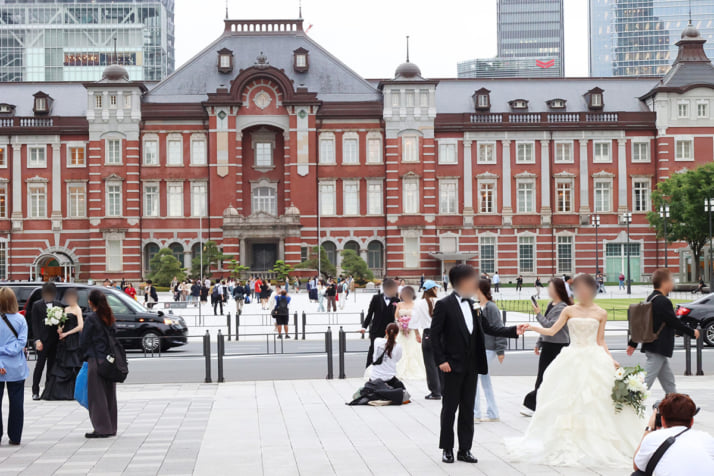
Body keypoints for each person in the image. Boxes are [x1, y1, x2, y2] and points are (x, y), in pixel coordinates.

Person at [510, 274, 643, 467]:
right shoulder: (569, 310)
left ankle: (595, 439)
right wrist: (531, 327)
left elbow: (601, 341)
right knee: (567, 399)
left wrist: (611, 359)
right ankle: (570, 439)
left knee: (596, 400)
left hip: (594, 358)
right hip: (571, 358)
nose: (581, 292)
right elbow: (551, 331)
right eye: (578, 289)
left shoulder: (601, 313)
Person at [430, 264, 522, 464]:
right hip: (452, 366)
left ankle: (465, 449)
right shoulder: (444, 305)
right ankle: (447, 448)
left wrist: (514, 330)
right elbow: (434, 336)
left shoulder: (474, 305)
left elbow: (489, 328)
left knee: (468, 408)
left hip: (472, 366)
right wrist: (441, 361)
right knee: (449, 409)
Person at [627, 269, 699, 395]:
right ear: (664, 283)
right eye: (671, 280)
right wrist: (692, 332)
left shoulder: (651, 298)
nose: (673, 283)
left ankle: (676, 406)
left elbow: (642, 323)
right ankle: (629, 402)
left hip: (655, 346)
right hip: (658, 346)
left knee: (669, 382)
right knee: (644, 383)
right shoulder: (663, 301)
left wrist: (633, 343)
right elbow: (674, 322)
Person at [521, 278, 571, 416]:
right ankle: (538, 404)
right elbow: (547, 329)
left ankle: (534, 404)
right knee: (543, 375)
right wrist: (539, 343)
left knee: (547, 376)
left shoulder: (562, 307)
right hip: (549, 344)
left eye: (550, 288)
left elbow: (549, 326)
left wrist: (538, 314)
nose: (548, 290)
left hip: (558, 345)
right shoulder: (552, 304)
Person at [633, 393, 714, 476]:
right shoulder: (706, 438)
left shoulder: (653, 438)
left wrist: (649, 428)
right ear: (692, 421)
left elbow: (638, 467)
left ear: (662, 420)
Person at [79, 290, 118, 438]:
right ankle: (111, 426)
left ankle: (102, 428)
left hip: (96, 360)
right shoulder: (109, 317)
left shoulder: (91, 319)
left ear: (91, 302)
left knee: (97, 397)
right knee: (109, 396)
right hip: (110, 361)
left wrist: (83, 356)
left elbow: (84, 340)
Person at [473, 278, 507, 423]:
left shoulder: (491, 307)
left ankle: (475, 414)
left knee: (473, 380)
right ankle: (493, 413)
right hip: (480, 348)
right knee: (485, 381)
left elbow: (499, 328)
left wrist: (500, 350)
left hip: (489, 348)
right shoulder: (477, 306)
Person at [41, 288, 83, 400]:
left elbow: (80, 326)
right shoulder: (66, 309)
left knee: (73, 364)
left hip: (73, 339)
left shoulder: (78, 309)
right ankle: (57, 392)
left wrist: (67, 333)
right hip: (64, 340)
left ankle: (74, 392)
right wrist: (60, 329)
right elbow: (63, 323)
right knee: (61, 363)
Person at [0, 287, 29, 445]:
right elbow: (22, 343)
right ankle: (15, 435)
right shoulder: (20, 319)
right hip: (16, 365)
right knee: (17, 402)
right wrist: (8, 350)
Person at [410, 280, 442, 400]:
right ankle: (443, 389)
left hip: (428, 334)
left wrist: (417, 333)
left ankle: (435, 391)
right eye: (436, 288)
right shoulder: (439, 302)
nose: (437, 290)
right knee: (441, 362)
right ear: (432, 289)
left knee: (430, 364)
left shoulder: (418, 303)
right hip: (440, 335)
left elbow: (413, 320)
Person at [30, 282, 61, 400]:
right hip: (42, 340)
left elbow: (61, 322)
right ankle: (35, 390)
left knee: (52, 366)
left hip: (55, 340)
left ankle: (48, 390)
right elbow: (35, 324)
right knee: (40, 365)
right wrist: (37, 340)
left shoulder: (58, 305)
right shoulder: (37, 305)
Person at [361, 278, 400, 367]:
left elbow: (398, 316)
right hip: (376, 329)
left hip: (390, 330)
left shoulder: (396, 300)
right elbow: (370, 314)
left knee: (389, 350)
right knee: (373, 349)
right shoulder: (376, 298)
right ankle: (369, 369)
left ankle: (385, 369)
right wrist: (364, 327)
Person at [393, 286, 425, 380]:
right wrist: (400, 324)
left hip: (412, 331)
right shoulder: (399, 304)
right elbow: (396, 316)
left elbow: (417, 317)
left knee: (414, 350)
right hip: (401, 330)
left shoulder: (415, 304)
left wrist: (410, 325)